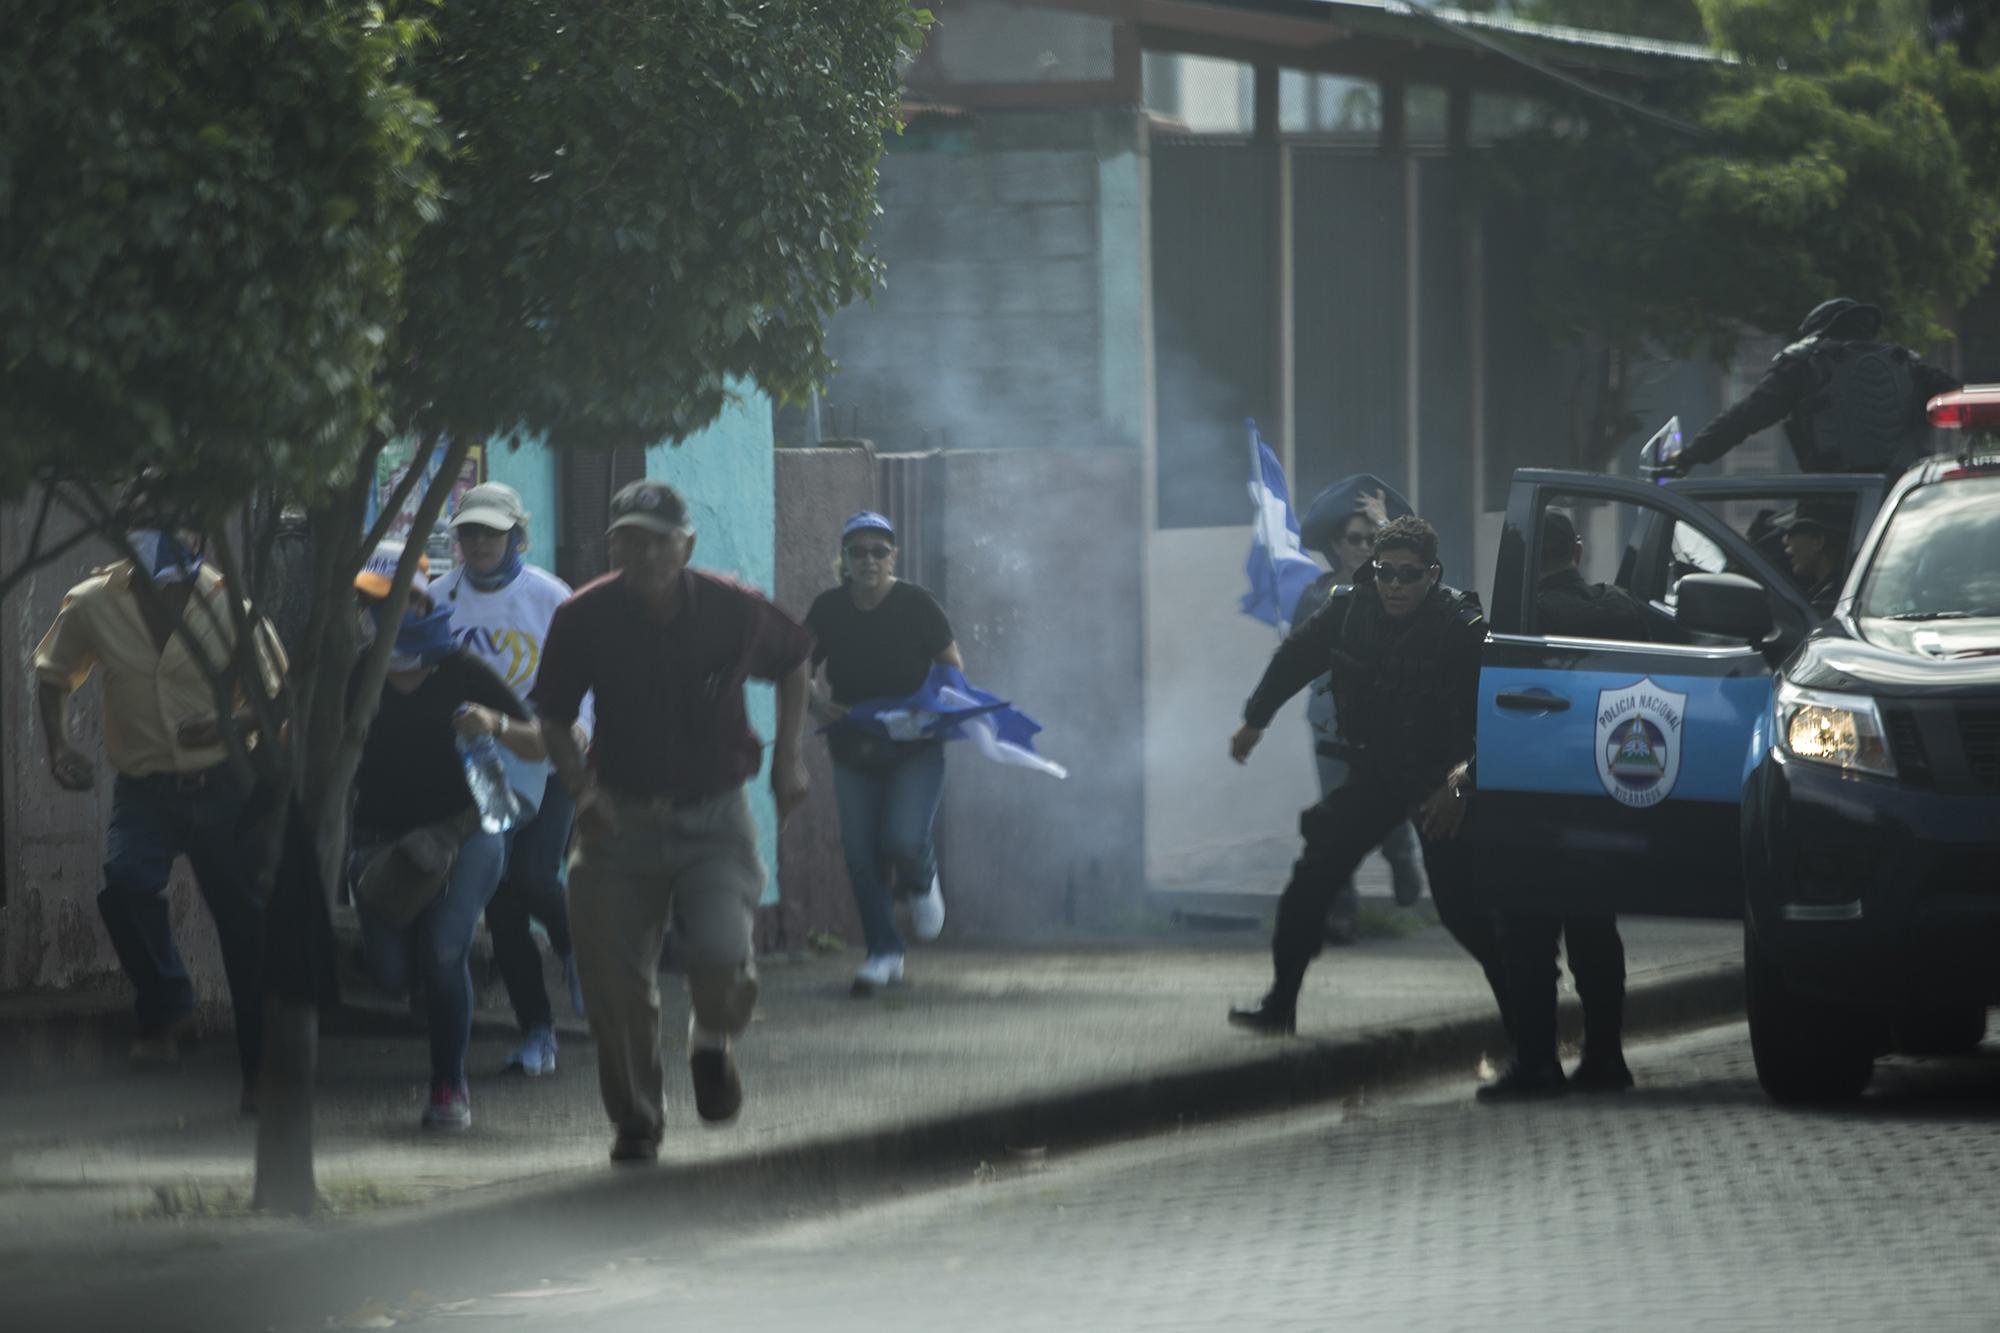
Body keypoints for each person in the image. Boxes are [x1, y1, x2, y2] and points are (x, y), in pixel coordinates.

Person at [532, 479, 812, 1165]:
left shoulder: (733, 610)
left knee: (720, 955)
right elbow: (553, 713)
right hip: (617, 821)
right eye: (631, 538)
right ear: (614, 546)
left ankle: (711, 1040)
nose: (647, 553)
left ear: (686, 544)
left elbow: (797, 658)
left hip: (712, 816)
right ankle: (637, 1120)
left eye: (660, 540)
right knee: (612, 985)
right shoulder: (584, 616)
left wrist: (788, 762)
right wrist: (580, 787)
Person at [1225, 517, 1509, 1050]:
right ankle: (1279, 1004)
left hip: (1439, 781)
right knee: (1313, 877)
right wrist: (1254, 720)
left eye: (1408, 575)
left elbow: (1492, 719)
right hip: (1378, 771)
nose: (1395, 586)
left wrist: (1462, 783)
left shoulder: (1461, 628)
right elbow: (1294, 659)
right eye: (1385, 573)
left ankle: (1526, 1015)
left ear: (1432, 574)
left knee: (1460, 908)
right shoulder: (1349, 609)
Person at [34, 517, 284, 1109]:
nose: (169, 537)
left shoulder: (230, 606)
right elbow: (52, 672)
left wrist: (231, 722)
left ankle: (262, 1079)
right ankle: (170, 1004)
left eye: (182, 525)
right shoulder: (94, 601)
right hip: (144, 786)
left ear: (200, 537)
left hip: (224, 785)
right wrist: (60, 746)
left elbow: (277, 698)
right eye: (149, 522)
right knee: (124, 885)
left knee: (245, 931)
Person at [348, 542, 544, 1130]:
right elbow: (305, 735)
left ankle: (447, 1086)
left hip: (466, 830)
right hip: (382, 839)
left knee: (444, 949)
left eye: (399, 600)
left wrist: (496, 723)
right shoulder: (360, 673)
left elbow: (538, 740)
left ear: (421, 597)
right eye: (371, 602)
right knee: (389, 974)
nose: (385, 613)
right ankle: (428, 983)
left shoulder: (461, 667)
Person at [1483, 511, 1652, 1102]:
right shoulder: (1624, 609)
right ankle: (1605, 1058)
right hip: (1604, 789)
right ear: (1577, 551)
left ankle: (1537, 1063)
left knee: (1528, 932)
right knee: (1593, 928)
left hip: (1530, 793)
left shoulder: (1514, 621)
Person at [431, 482, 586, 1078]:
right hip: (475, 768)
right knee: (500, 904)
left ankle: (575, 948)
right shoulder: (439, 596)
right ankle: (538, 1032)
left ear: (517, 535)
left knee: (534, 876)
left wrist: (582, 732)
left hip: (547, 758)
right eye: (469, 532)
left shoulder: (550, 597)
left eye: (491, 532)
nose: (478, 543)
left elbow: (584, 679)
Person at [804, 512, 962, 996]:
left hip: (916, 746)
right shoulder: (828, 609)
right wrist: (815, 701)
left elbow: (951, 669)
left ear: (894, 556)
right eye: (858, 551)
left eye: (879, 550)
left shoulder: (918, 605)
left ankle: (921, 879)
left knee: (902, 837)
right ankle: (884, 952)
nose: (868, 559)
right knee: (859, 852)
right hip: (853, 746)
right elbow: (798, 666)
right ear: (844, 560)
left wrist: (930, 708)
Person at [1296, 476, 1428, 942]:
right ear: (1336, 545)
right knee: (1336, 822)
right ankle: (1340, 913)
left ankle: (1400, 853)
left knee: (1383, 810)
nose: (1365, 547)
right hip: (1332, 724)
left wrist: (1388, 526)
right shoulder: (1315, 595)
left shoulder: (1396, 589)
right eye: (1356, 540)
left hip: (1387, 725)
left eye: (1374, 539)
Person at [1679, 298, 1960, 477]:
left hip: (1829, 505)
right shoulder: (1908, 365)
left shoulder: (1805, 364)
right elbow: (1960, 399)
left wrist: (1689, 457)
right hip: (1902, 504)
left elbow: (1744, 418)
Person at [1776, 502, 1850, 616]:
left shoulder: (1832, 600)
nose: (1785, 540)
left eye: (1792, 533)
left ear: (1818, 541)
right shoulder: (1833, 591)